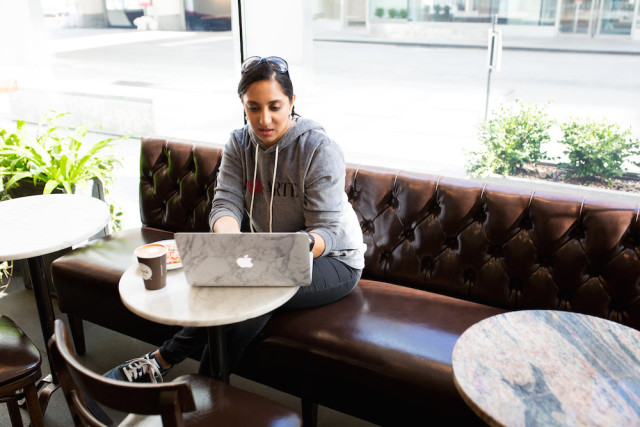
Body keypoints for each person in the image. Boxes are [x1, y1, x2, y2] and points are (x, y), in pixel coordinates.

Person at [105, 56, 366, 383]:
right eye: (253, 107)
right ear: (242, 104)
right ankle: (197, 393)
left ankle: (168, 367)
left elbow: (325, 231)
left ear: (292, 102)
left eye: (275, 106)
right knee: (232, 284)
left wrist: (278, 255)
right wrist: (230, 242)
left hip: (333, 260)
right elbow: (225, 203)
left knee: (254, 288)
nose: (264, 119)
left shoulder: (318, 149)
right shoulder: (239, 143)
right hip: (264, 252)